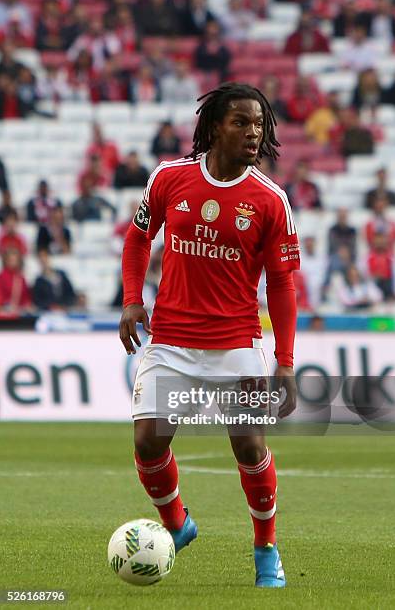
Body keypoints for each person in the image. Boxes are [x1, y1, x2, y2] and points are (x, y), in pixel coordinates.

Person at [119, 82, 300, 588]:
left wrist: (284, 361)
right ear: (215, 126)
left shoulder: (271, 200)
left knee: (247, 443)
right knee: (148, 440)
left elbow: (282, 284)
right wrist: (133, 298)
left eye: (259, 125)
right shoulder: (170, 178)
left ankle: (267, 549)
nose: (253, 133)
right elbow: (137, 237)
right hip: (172, 337)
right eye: (241, 122)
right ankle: (177, 523)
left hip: (237, 342)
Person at [0, 247, 31, 313]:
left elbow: (26, 298)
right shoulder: (1, 277)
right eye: (10, 260)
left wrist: (27, 306)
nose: (13, 262)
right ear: (5, 261)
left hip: (20, 313)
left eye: (15, 260)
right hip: (5, 313)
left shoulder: (21, 278)